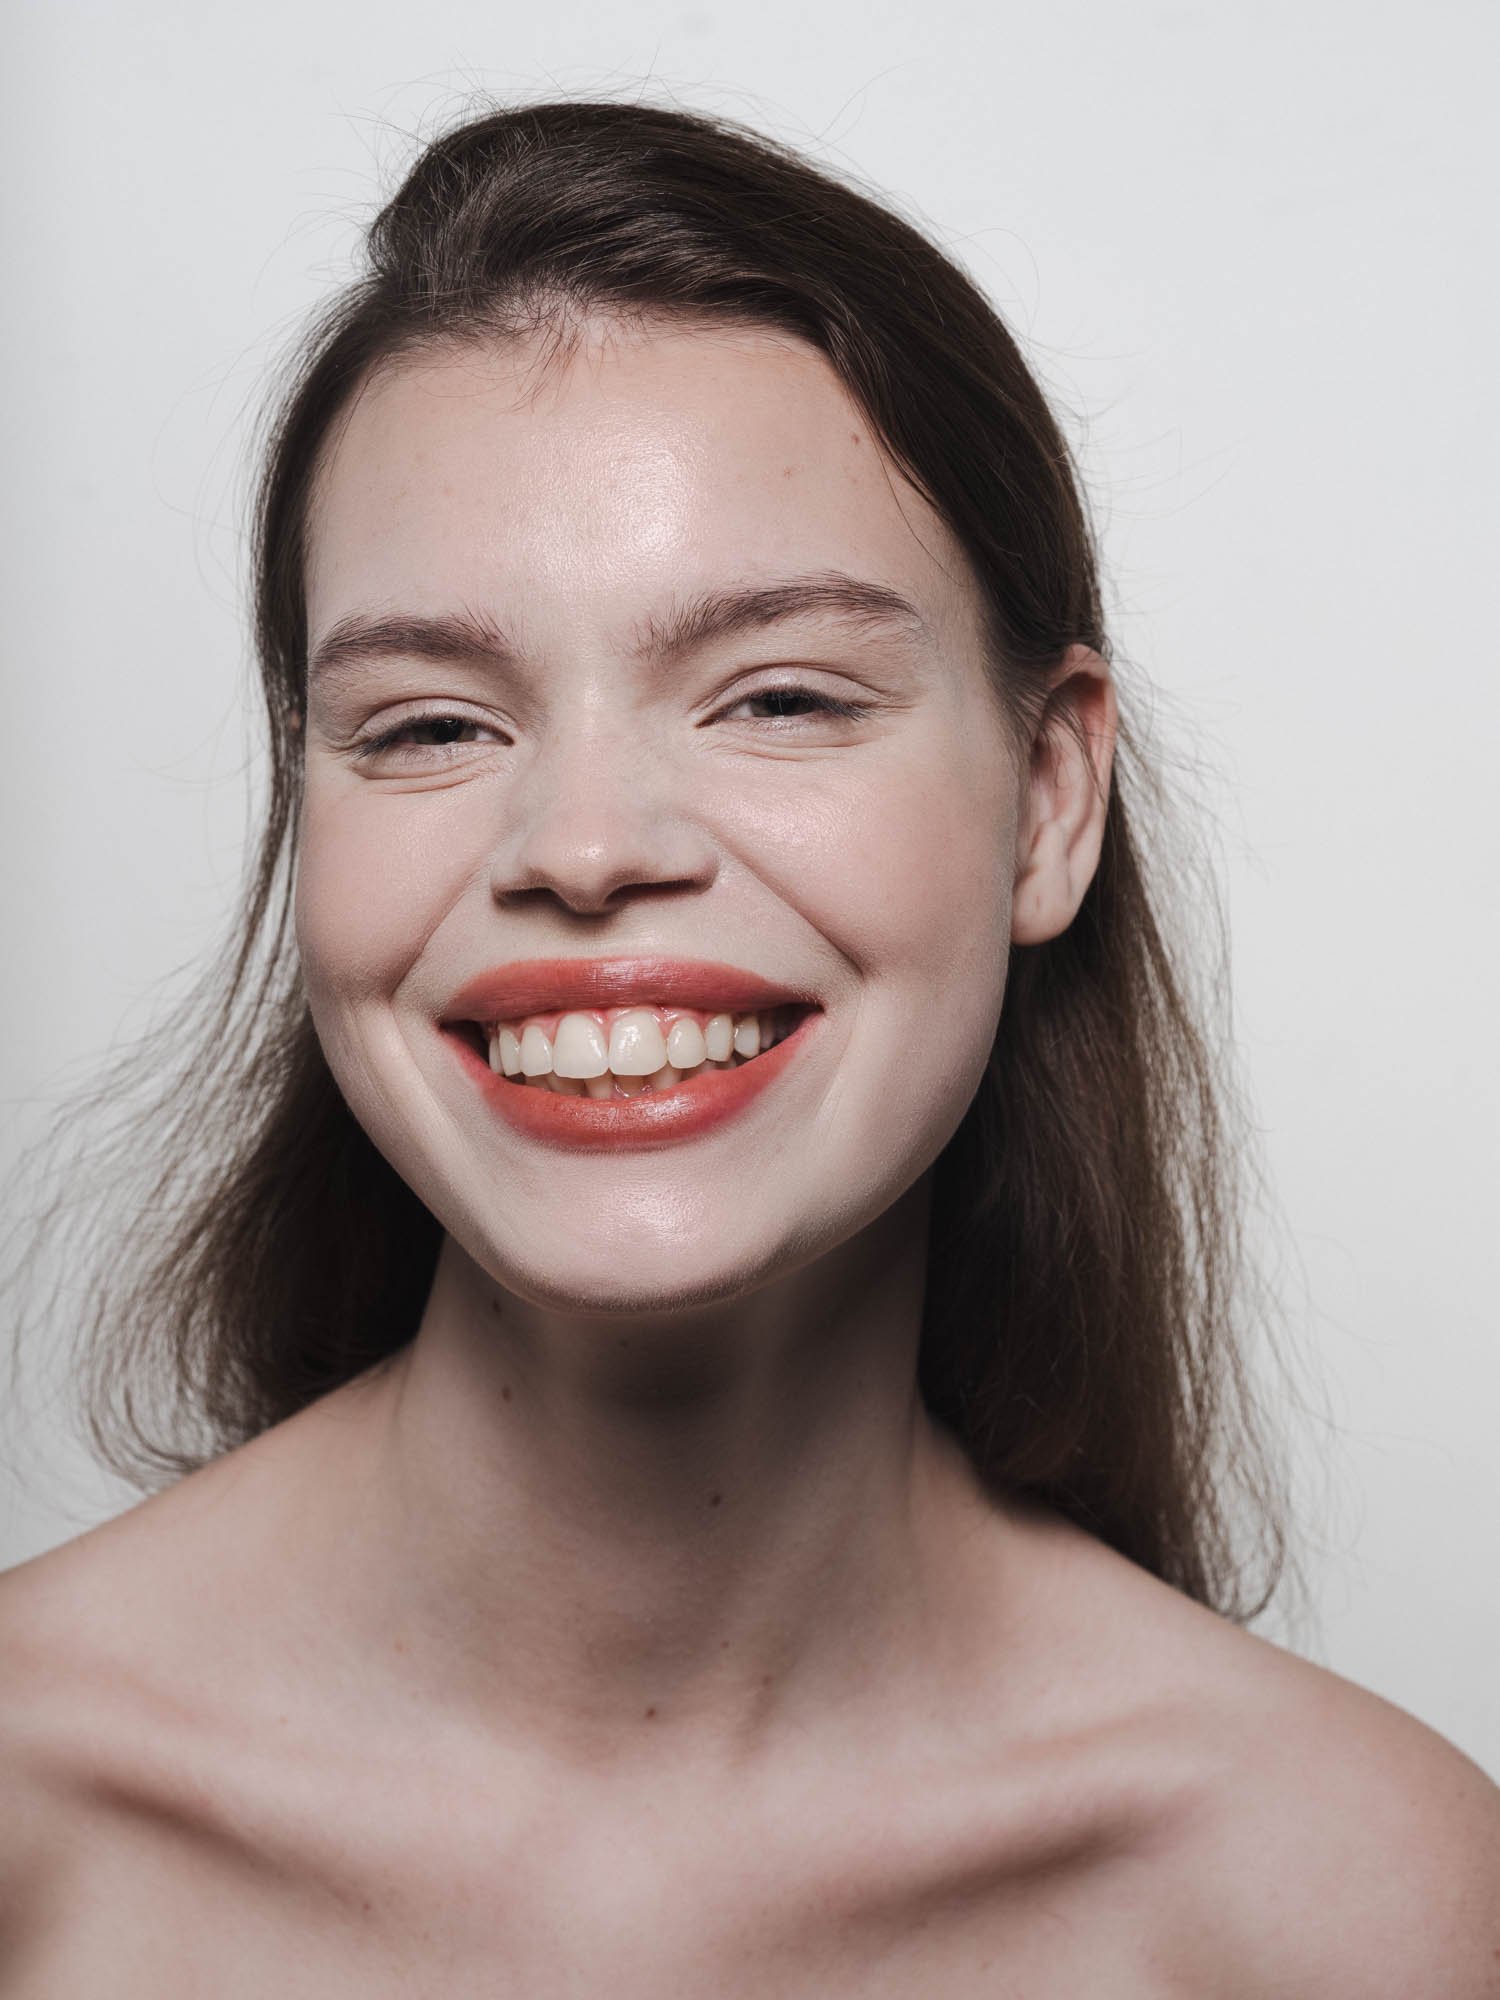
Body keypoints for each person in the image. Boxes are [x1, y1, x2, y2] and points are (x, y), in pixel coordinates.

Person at [2, 98, 1496, 1993]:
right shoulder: (34, 1815)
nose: (588, 847)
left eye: (780, 695)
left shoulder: (1363, 1905)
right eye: (429, 726)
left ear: (1048, 804)